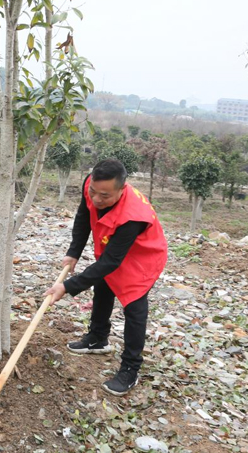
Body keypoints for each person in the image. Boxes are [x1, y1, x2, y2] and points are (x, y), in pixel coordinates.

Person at [45, 159, 167, 396]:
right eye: (93, 192)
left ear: (122, 189)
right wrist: (74, 252)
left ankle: (131, 368)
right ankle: (98, 338)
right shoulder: (91, 185)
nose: (97, 199)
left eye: (105, 196)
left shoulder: (133, 216)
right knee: (102, 284)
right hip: (113, 248)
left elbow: (111, 262)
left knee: (134, 307)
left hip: (143, 256)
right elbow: (83, 216)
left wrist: (67, 287)